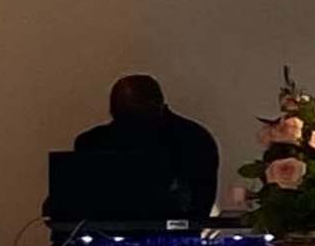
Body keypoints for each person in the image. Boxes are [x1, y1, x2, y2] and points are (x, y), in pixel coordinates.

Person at [46, 71, 220, 235]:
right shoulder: (93, 141)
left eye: (139, 120)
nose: (133, 132)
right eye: (125, 121)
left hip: (170, 240)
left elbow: (198, 209)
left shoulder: (192, 141)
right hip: (107, 241)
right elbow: (65, 205)